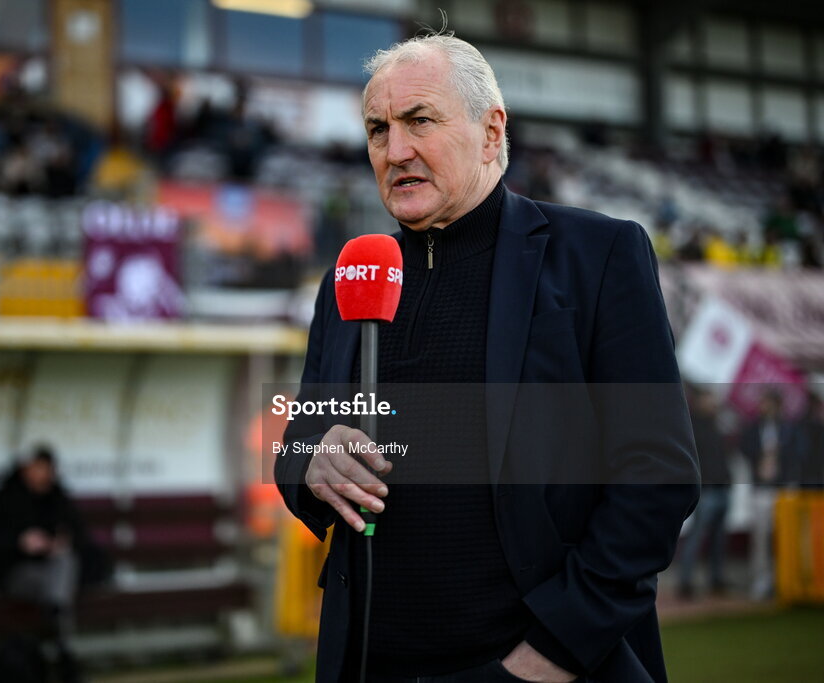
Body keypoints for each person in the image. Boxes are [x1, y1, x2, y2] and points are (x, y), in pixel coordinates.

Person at [275, 32, 699, 683]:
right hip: (370, 662)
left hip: (543, 668)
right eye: (378, 129)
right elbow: (301, 439)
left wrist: (544, 659)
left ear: (490, 130)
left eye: (420, 120)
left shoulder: (597, 256)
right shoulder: (350, 275)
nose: (396, 151)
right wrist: (313, 458)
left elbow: (657, 474)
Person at [0, 445, 108, 681]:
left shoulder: (58, 499)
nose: (40, 473)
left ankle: (56, 623)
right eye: (35, 467)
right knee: (60, 583)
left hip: (55, 574)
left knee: (64, 561)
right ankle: (62, 646)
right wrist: (20, 542)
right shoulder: (4, 499)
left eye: (44, 468)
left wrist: (61, 542)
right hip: (18, 573)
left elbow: (80, 535)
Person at [739, 391, 800, 600]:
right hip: (761, 490)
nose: (764, 406)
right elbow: (744, 448)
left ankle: (784, 579)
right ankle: (760, 580)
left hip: (782, 489)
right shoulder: (753, 428)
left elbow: (798, 454)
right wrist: (759, 459)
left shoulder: (789, 428)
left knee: (784, 536)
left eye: (767, 402)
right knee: (760, 538)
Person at [677, 387, 732, 599]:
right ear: (699, 401)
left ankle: (716, 579)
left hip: (722, 489)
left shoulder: (716, 424)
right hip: (707, 490)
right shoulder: (693, 426)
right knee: (696, 537)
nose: (713, 402)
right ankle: (685, 581)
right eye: (709, 398)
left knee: (718, 540)